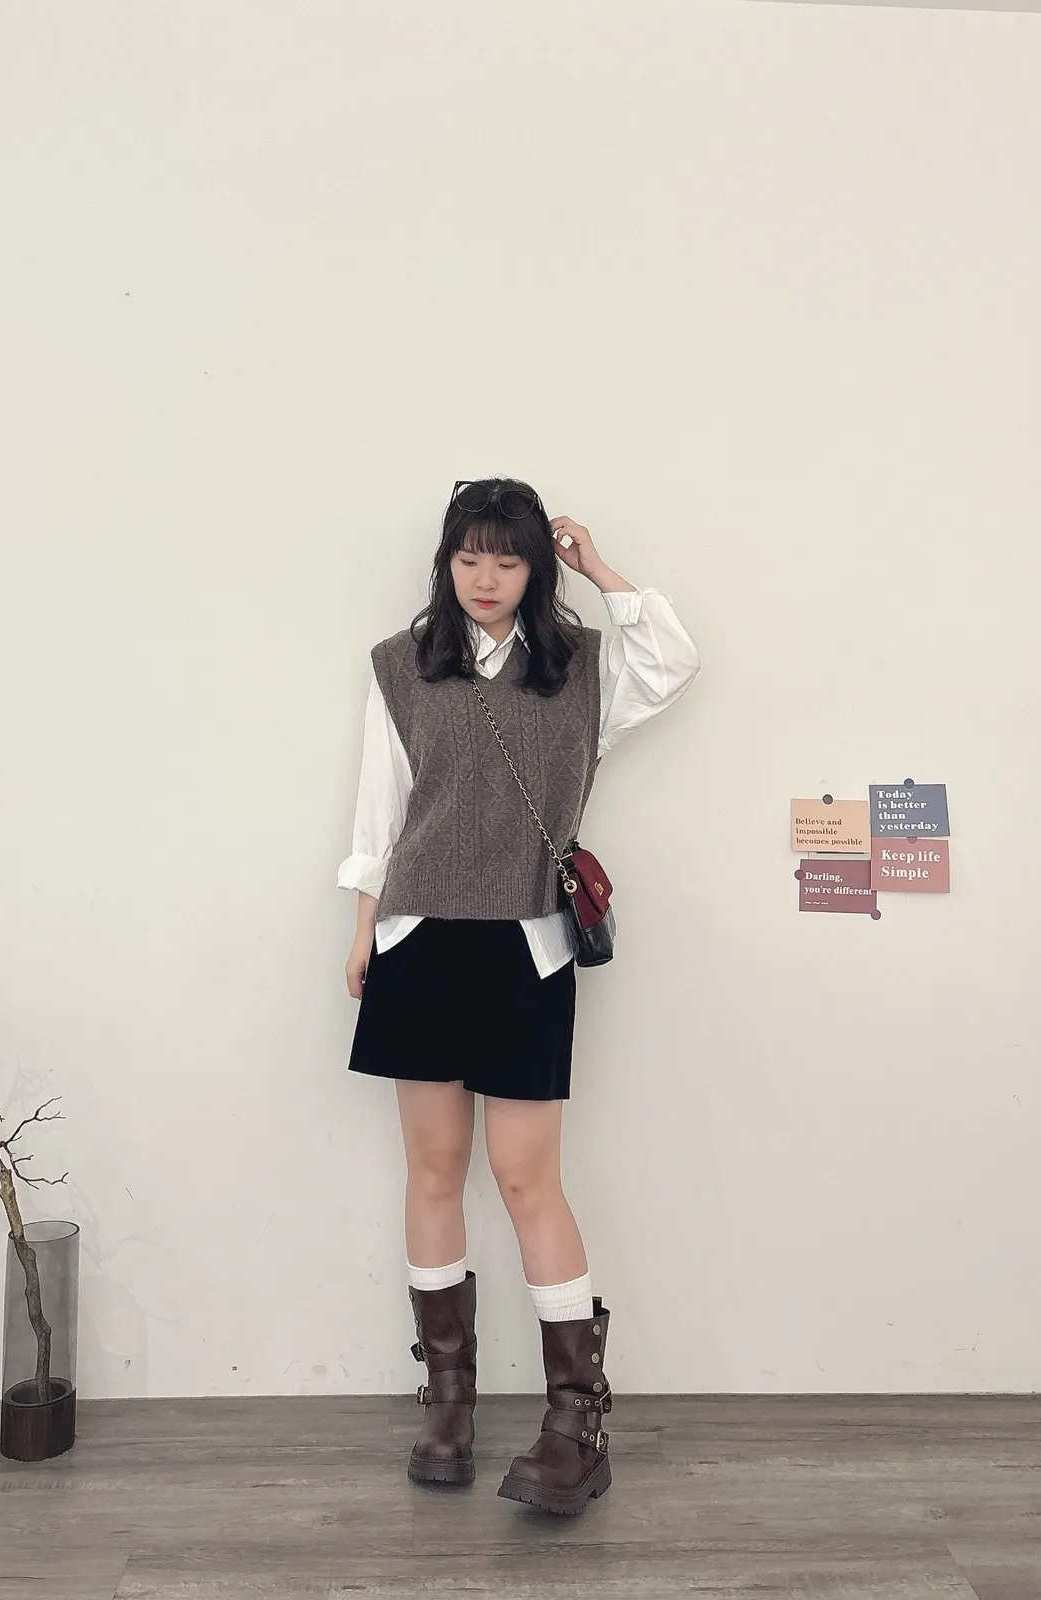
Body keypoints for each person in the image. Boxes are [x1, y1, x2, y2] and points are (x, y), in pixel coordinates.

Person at [337, 477, 701, 1515]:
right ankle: (448, 1406)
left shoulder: (579, 667)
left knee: (526, 1177)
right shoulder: (403, 664)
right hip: (418, 939)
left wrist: (601, 569)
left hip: (528, 946)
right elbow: (380, 811)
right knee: (433, 1169)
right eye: (469, 557)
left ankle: (574, 1423)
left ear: (537, 566)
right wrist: (362, 929)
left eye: (508, 557)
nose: (485, 577)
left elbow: (673, 657)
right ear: (445, 564)